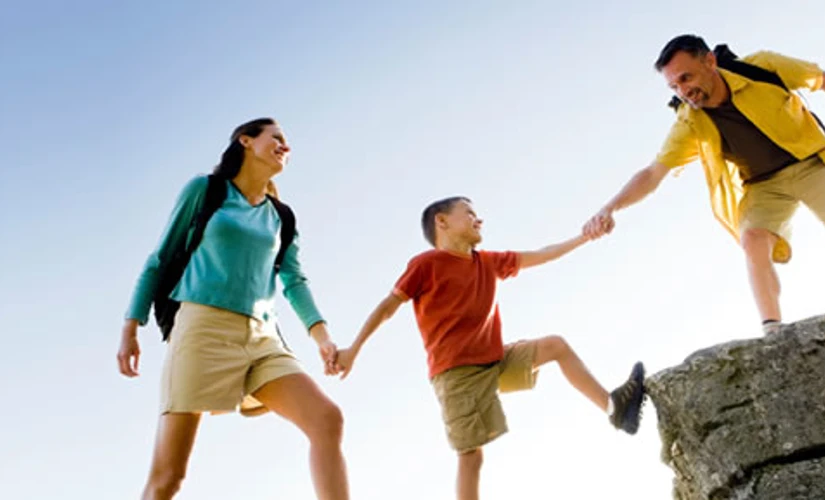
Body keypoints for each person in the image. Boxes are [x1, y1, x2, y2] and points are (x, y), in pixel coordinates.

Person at [333, 196, 645, 500]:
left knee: (555, 346)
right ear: (442, 222)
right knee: (471, 456)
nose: (478, 218)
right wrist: (353, 350)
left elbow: (543, 254)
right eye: (468, 213)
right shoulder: (426, 264)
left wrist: (584, 236)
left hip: (495, 361)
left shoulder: (488, 262)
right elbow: (387, 307)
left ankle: (615, 410)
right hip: (457, 375)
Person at [117, 118, 350, 500]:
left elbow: (293, 281)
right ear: (246, 140)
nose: (285, 147)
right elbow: (159, 259)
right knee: (168, 477)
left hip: (262, 337)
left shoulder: (281, 217)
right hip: (202, 330)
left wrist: (322, 338)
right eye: (277, 138)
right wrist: (131, 327)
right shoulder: (205, 191)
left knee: (327, 420)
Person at [583, 34, 825, 335]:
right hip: (763, 185)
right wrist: (610, 208)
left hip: (809, 163)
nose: (684, 91)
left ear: (710, 61)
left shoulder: (763, 67)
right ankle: (774, 333)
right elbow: (653, 173)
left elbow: (819, 79)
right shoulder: (690, 122)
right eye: (674, 86)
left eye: (687, 78)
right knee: (752, 240)